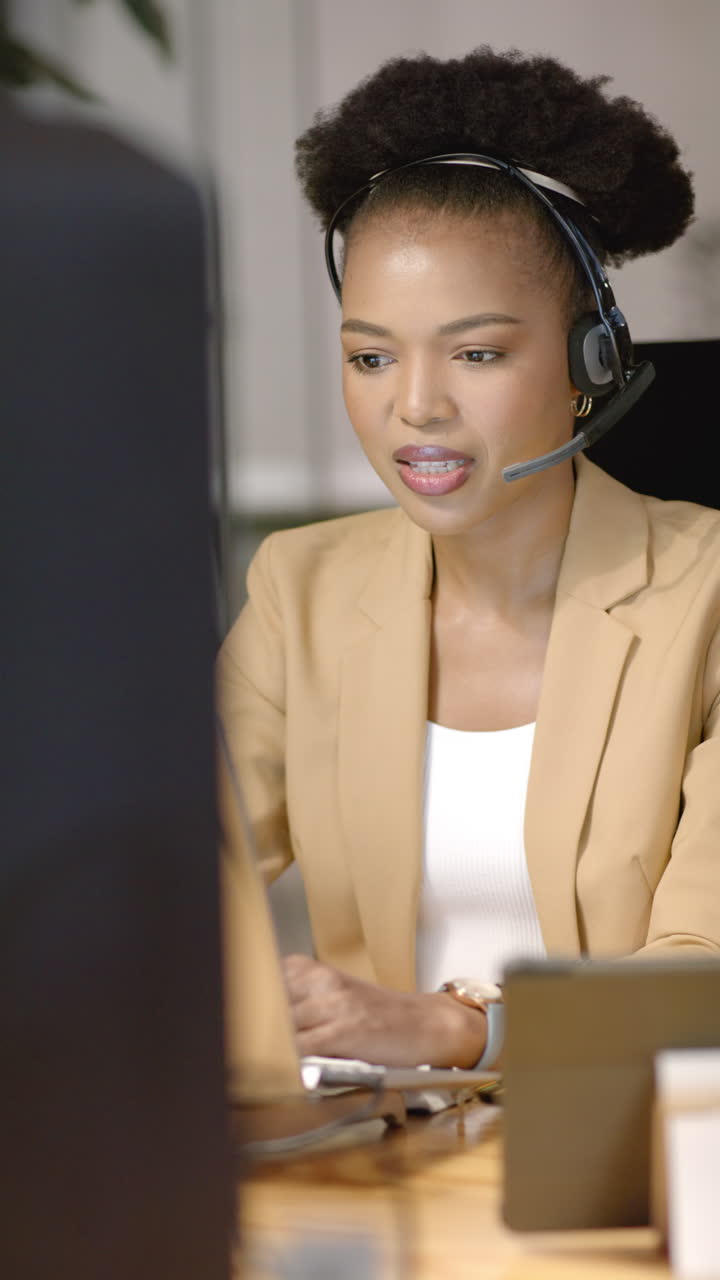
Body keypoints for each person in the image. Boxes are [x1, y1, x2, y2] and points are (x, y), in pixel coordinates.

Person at [217, 47, 719, 1073]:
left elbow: (704, 978)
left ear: (593, 360)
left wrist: (455, 1027)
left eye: (477, 351)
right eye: (371, 356)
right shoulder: (299, 591)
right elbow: (161, 879)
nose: (415, 405)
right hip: (374, 1164)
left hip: (634, 1170)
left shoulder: (704, 595)